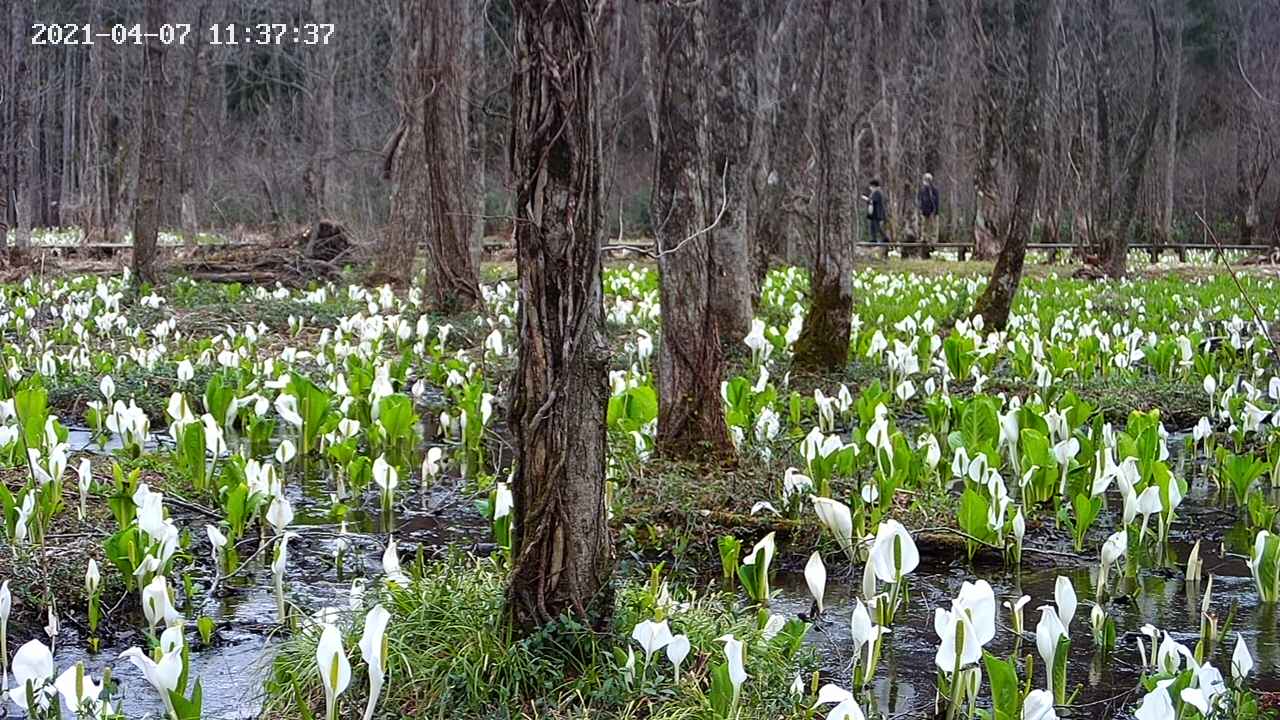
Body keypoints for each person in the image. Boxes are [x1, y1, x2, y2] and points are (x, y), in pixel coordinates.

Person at [917, 173, 940, 247]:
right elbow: (921, 200)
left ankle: (933, 242)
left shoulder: (934, 190)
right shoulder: (922, 190)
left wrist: (935, 211)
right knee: (924, 227)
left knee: (933, 228)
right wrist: (921, 209)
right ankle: (924, 239)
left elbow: (936, 201)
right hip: (925, 212)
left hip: (932, 211)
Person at [865, 179, 887, 245]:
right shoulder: (874, 192)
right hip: (873, 213)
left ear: (873, 186)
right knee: (872, 227)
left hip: (877, 213)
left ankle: (885, 238)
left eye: (870, 186)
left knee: (877, 227)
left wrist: (866, 199)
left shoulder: (877, 192)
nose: (870, 188)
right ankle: (873, 239)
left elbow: (873, 201)